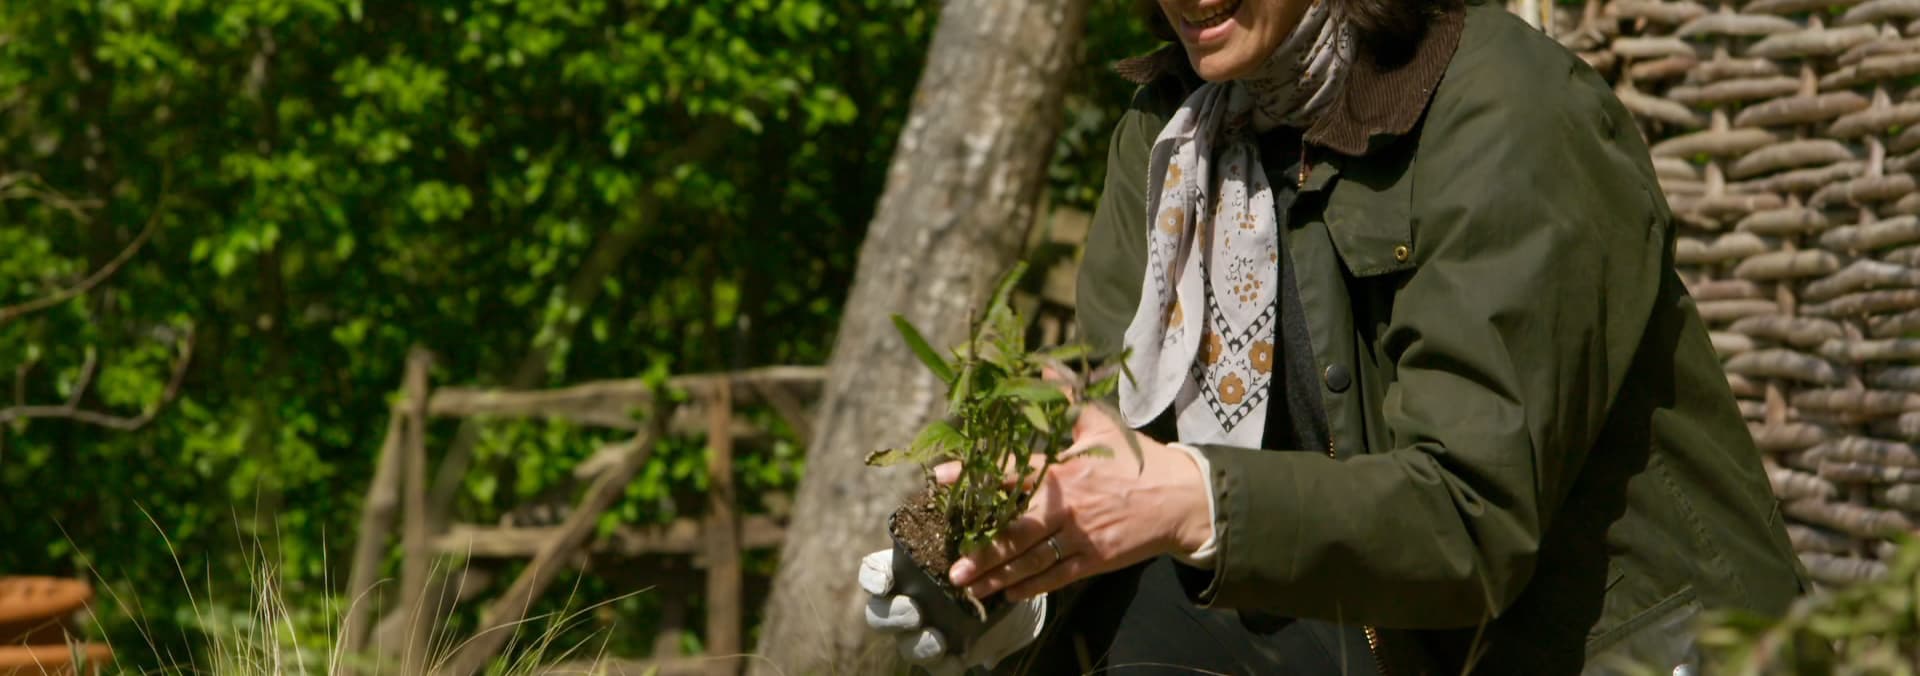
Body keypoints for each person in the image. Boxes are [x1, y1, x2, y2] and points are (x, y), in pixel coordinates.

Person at [861, 0, 1809, 672]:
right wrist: (1018, 572)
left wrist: (1185, 497)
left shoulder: (1507, 110)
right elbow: (1125, 457)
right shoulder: (1170, 139)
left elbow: (1470, 520)